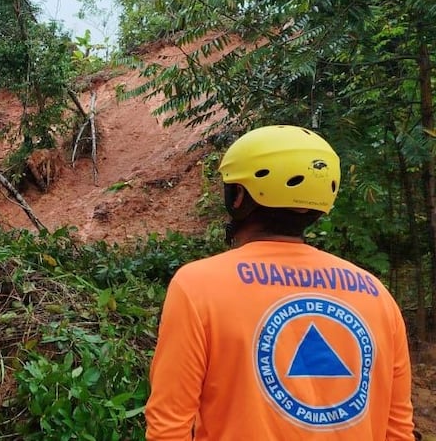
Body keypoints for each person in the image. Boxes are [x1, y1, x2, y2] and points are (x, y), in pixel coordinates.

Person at [145, 125, 415, 440]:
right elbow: (398, 431)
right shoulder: (375, 294)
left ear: (239, 198)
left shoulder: (197, 286)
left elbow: (168, 427)